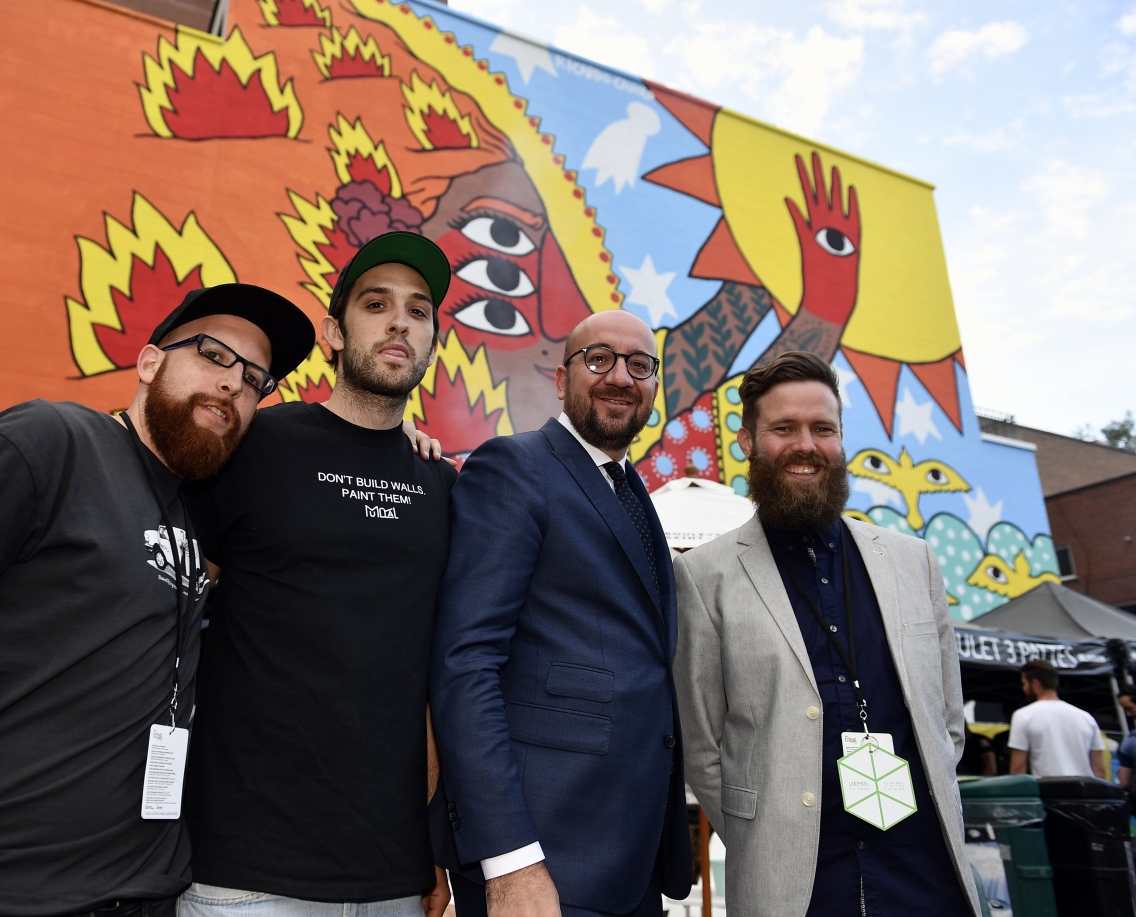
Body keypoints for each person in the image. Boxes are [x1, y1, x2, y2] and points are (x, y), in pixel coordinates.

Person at [0, 284, 316, 917]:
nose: (233, 384)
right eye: (212, 354)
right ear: (151, 361)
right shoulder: (48, 441)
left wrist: (399, 437)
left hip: (139, 895)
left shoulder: (197, 519)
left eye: (256, 380)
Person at [179, 232, 458, 917]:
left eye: (419, 311)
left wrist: (435, 845)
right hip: (244, 872)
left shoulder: (445, 487)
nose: (400, 321)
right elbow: (171, 613)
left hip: (393, 877)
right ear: (334, 331)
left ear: (432, 342)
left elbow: (438, 680)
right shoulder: (254, 444)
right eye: (376, 303)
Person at [673, 351, 979, 917]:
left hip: (925, 873)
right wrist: (763, 831)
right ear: (747, 441)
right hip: (794, 883)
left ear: (840, 439)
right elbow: (703, 745)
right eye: (783, 428)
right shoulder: (701, 576)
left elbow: (948, 724)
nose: (805, 445)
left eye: (822, 428)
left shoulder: (915, 562)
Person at [429, 309, 692, 917]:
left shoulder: (632, 492)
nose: (619, 377)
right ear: (561, 379)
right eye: (598, 359)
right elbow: (465, 665)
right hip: (543, 868)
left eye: (639, 365)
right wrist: (511, 860)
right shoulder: (515, 467)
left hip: (629, 865)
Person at [1008, 659, 1105, 778]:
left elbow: (1018, 767)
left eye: (1024, 684)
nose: (1024, 689)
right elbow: (1099, 770)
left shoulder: (1023, 716)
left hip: (1049, 791)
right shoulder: (1087, 718)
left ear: (1035, 684)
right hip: (1085, 792)